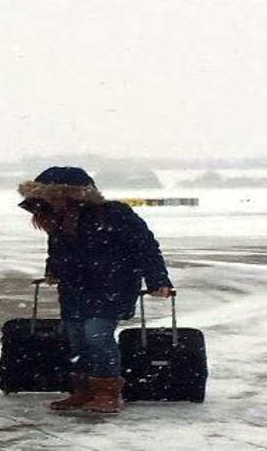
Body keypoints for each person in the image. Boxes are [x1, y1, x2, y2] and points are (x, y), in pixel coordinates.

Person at [18, 166, 174, 415]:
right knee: (76, 338)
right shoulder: (57, 218)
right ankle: (83, 390)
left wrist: (158, 280)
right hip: (75, 287)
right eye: (48, 197)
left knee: (97, 335)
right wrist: (53, 270)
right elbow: (57, 249)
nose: (52, 201)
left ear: (75, 195)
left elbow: (145, 246)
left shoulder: (114, 213)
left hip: (113, 285)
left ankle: (107, 391)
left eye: (56, 196)